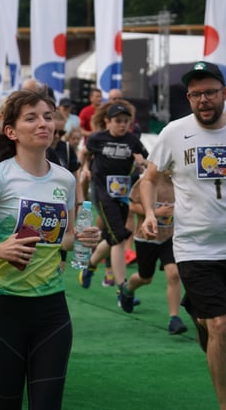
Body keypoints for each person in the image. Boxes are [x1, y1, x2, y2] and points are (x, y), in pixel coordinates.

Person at [0, 89, 101, 410]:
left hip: (52, 311)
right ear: (11, 131)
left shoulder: (65, 180)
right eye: (31, 117)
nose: (43, 123)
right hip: (2, 310)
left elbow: (62, 239)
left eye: (47, 116)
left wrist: (81, 238)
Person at [138, 60, 226, 410]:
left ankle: (198, 313)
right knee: (220, 326)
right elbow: (150, 179)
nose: (203, 100)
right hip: (194, 247)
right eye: (196, 94)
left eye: (210, 92)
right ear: (188, 97)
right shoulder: (173, 131)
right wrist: (151, 212)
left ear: (225, 93)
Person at [79, 101, 148, 314]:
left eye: (126, 121)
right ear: (108, 121)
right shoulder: (97, 138)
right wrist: (85, 169)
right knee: (119, 235)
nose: (122, 125)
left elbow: (144, 159)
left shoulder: (133, 140)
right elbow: (85, 154)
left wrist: (140, 161)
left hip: (122, 194)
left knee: (111, 237)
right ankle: (122, 290)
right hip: (101, 193)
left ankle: (90, 265)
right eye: (118, 121)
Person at [125, 169, 188, 334]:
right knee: (145, 278)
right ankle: (127, 289)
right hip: (147, 237)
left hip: (170, 236)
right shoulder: (147, 180)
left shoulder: (182, 181)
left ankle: (174, 318)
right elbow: (132, 205)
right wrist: (155, 212)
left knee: (174, 274)